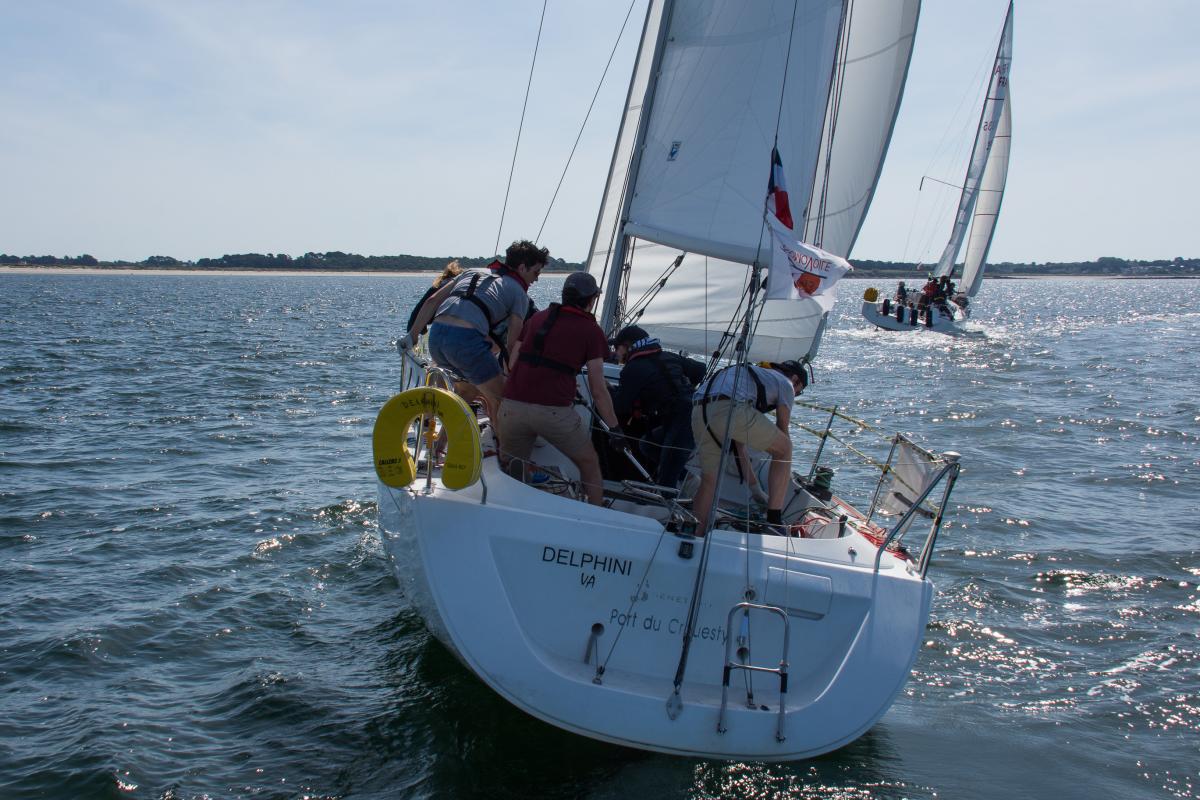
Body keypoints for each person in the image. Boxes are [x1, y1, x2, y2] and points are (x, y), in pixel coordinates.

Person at [499, 272, 623, 506]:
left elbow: (512, 363)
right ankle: (594, 513)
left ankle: (514, 508)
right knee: (589, 463)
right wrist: (615, 429)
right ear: (591, 300)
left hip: (512, 406)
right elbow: (598, 390)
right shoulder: (591, 330)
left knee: (515, 468)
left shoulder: (537, 319)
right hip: (553, 412)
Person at [402, 240, 547, 418]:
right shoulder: (519, 293)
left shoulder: (471, 271)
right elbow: (511, 347)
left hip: (437, 338)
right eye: (536, 272)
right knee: (503, 401)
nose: (536, 278)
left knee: (468, 390)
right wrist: (516, 377)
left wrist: (412, 336)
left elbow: (432, 301)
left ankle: (440, 432)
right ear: (523, 268)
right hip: (466, 342)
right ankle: (500, 437)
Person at [690, 360, 808, 534]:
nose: (795, 395)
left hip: (699, 410)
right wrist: (784, 463)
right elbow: (783, 431)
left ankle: (696, 534)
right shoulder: (786, 383)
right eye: (798, 391)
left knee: (709, 482)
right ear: (795, 379)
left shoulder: (749, 378)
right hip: (729, 408)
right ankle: (774, 520)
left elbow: (740, 447)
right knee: (785, 448)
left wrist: (755, 489)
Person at [610, 325, 705, 489]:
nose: (615, 352)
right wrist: (683, 388)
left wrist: (606, 390)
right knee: (647, 445)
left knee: (666, 481)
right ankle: (689, 480)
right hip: (692, 413)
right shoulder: (667, 356)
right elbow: (700, 369)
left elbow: (621, 406)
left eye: (616, 348)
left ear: (627, 346)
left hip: (682, 421)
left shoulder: (633, 368)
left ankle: (669, 500)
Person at [405, 260, 462, 337]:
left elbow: (417, 311)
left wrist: (413, 335)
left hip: (438, 327)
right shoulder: (461, 288)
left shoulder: (436, 287)